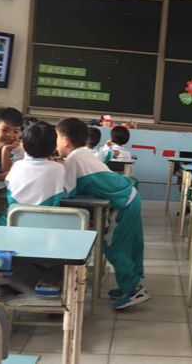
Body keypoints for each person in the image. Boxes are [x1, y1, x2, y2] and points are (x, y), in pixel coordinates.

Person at [56, 118, 148, 310]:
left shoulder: (73, 159)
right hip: (129, 197)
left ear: (65, 140)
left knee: (113, 245)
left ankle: (133, 289)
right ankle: (129, 284)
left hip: (124, 202)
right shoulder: (84, 154)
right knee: (129, 244)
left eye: (56, 137)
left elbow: (68, 192)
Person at [4, 121, 65, 211]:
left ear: (23, 145)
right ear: (55, 147)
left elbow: (7, 184)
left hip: (14, 218)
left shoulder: (17, 166)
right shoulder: (59, 168)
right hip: (48, 218)